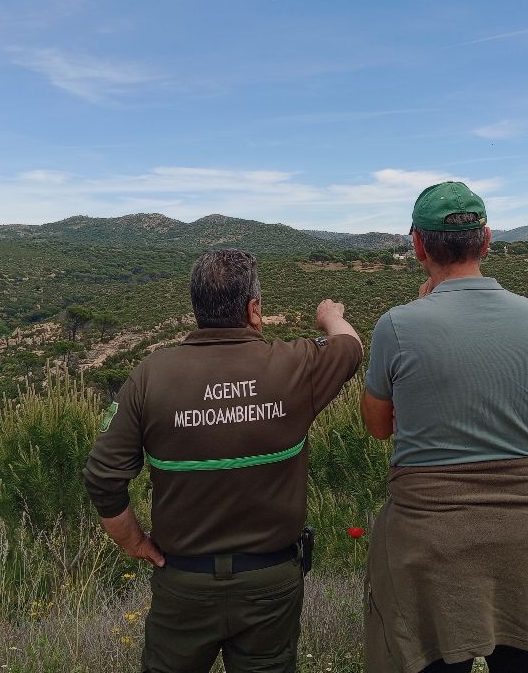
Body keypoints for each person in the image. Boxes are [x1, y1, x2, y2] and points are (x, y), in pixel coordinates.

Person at [84, 248, 362, 673]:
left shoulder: (151, 375)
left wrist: (135, 543)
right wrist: (329, 315)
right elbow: (351, 346)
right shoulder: (295, 365)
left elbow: (103, 478)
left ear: (197, 308)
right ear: (254, 309)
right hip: (271, 582)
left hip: (183, 582)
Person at [360, 181, 528, 673]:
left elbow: (378, 427)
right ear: (486, 241)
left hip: (429, 540)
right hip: (523, 533)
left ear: (418, 245)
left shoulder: (397, 325)